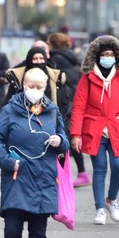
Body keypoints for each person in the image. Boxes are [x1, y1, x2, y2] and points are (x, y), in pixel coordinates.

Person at [0, 67, 69, 238]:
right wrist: (7, 162)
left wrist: (59, 141)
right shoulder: (10, 110)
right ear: (23, 86)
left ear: (45, 88)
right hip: (17, 177)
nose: (35, 90)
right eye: (30, 86)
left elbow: (65, 141)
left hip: (43, 177)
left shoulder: (52, 111)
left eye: (39, 87)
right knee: (12, 230)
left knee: (38, 230)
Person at [70, 35, 119, 225]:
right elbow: (78, 107)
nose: (108, 57)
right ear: (97, 57)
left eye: (111, 54)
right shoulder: (87, 78)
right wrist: (75, 134)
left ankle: (111, 199)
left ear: (116, 56)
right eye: (104, 54)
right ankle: (100, 209)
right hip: (94, 131)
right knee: (100, 169)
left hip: (116, 129)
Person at [48, 32, 89, 187]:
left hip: (64, 102)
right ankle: (81, 173)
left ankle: (65, 175)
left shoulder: (56, 59)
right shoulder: (72, 57)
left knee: (63, 139)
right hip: (74, 101)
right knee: (71, 137)